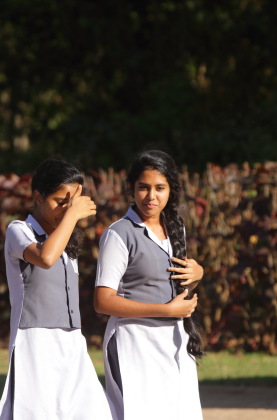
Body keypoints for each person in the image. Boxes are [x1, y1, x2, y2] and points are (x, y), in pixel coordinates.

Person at [0, 159, 113, 420]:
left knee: (91, 412)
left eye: (72, 203)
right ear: (37, 197)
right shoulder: (19, 230)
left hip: (72, 341)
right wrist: (72, 215)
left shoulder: (65, 241)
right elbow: (45, 258)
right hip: (35, 341)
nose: (66, 209)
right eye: (61, 201)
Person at [94, 150, 205, 420]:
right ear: (132, 188)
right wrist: (166, 311)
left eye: (159, 188)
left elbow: (177, 276)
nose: (151, 196)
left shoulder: (176, 227)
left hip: (175, 340)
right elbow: (103, 301)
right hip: (134, 343)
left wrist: (199, 271)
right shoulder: (118, 234)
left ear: (171, 190)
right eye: (143, 187)